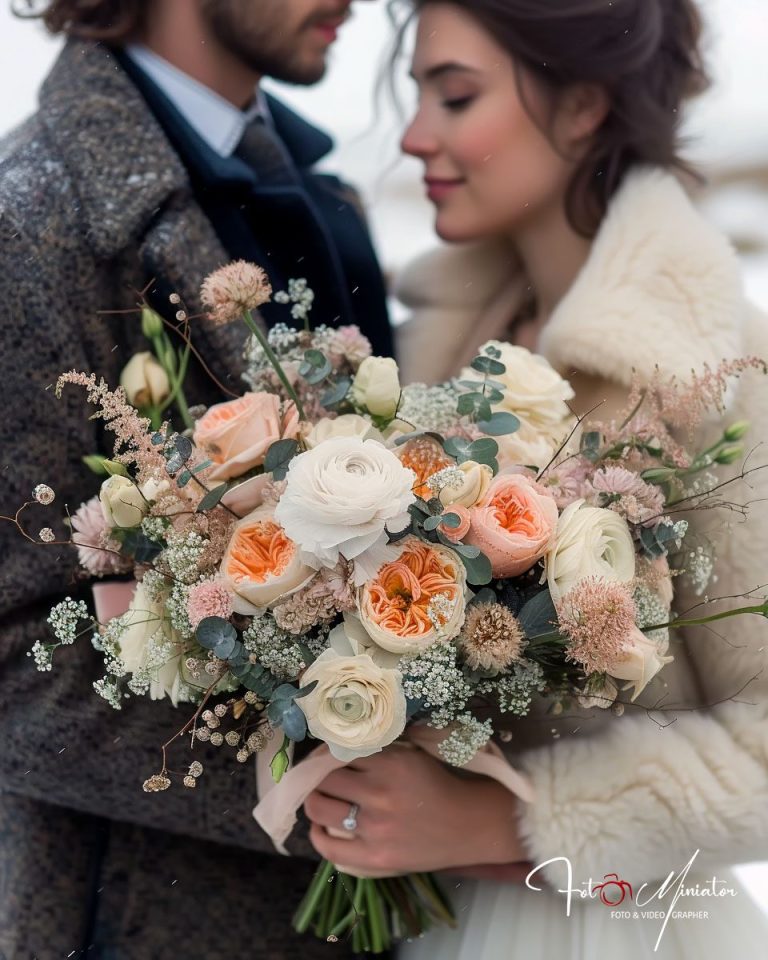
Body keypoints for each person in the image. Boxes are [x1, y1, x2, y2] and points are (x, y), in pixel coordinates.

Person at [301, 1, 768, 956]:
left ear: (584, 107)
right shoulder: (438, 343)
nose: (414, 135)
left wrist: (502, 821)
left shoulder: (713, 364)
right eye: (417, 92)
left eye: (457, 95)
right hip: (432, 920)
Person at [0, 1, 391, 957]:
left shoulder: (319, 189)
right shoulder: (30, 223)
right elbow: (12, 656)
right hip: (152, 920)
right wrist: (342, 792)